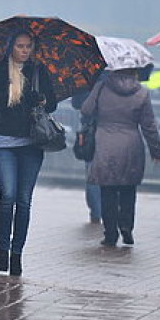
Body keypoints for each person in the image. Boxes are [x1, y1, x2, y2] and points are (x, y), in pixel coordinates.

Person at [0, 30, 56, 276]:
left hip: (31, 144)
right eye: (20, 46)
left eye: (28, 46)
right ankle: (2, 248)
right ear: (10, 46)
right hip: (2, 142)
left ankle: (17, 253)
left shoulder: (38, 71)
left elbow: (52, 104)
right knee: (8, 196)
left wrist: (39, 98)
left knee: (24, 200)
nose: (24, 51)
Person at [80, 68, 160, 247]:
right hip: (131, 144)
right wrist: (156, 151)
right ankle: (126, 227)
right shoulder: (141, 91)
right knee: (128, 189)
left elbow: (86, 109)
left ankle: (110, 233)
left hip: (105, 143)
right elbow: (149, 125)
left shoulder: (102, 87)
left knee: (107, 189)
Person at [71, 86, 103, 225]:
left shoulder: (86, 80)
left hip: (91, 131)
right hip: (116, 133)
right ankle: (112, 211)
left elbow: (77, 104)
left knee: (92, 172)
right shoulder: (120, 80)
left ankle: (96, 212)